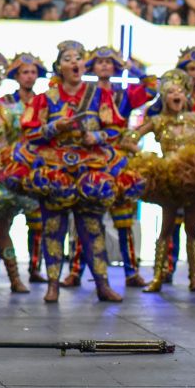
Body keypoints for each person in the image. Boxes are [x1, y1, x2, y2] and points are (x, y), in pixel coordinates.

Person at [1, 41, 143, 303]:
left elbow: (115, 129)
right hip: (55, 168)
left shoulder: (99, 96)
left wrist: (95, 136)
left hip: (90, 166)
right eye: (68, 59)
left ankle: (102, 284)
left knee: (92, 227)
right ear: (59, 68)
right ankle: (52, 285)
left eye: (78, 58)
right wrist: (55, 128)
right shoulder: (46, 99)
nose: (74, 62)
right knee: (53, 227)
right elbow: (30, 133)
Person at [127, 69, 195, 293]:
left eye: (180, 91)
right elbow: (130, 138)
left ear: (186, 96)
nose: (176, 95)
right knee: (166, 229)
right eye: (170, 91)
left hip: (194, 179)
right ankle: (157, 276)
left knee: (193, 229)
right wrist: (141, 155)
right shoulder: (157, 121)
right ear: (164, 97)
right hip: (169, 178)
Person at [60, 47, 156, 288]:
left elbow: (152, 89)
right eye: (99, 62)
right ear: (92, 66)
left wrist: (130, 66)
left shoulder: (124, 94)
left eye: (109, 62)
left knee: (124, 217)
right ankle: (75, 270)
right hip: (90, 157)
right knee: (86, 216)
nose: (104, 66)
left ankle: (131, 271)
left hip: (118, 156)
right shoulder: (84, 93)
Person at [0, 51, 35, 293]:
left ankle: (14, 277)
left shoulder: (8, 114)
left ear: (0, 83)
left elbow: (15, 144)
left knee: (2, 232)